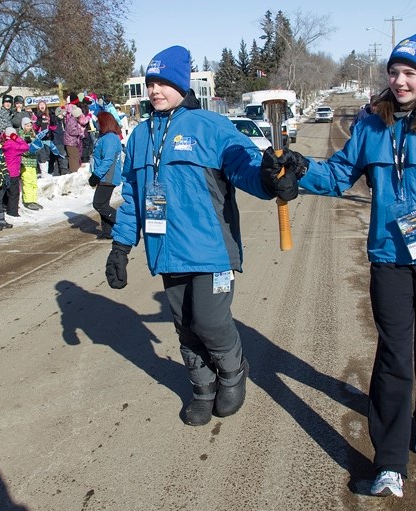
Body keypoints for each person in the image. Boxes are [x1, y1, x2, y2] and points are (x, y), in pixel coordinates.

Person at [260, 33, 416, 498]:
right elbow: (337, 176)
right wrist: (297, 166)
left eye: (410, 73)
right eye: (394, 72)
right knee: (394, 357)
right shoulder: (371, 127)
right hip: (389, 259)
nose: (399, 81)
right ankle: (390, 461)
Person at [104, 45, 282, 427]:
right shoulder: (140, 136)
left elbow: (246, 168)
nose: (154, 91)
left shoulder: (210, 126)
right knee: (185, 325)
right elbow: (133, 195)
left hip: (211, 248)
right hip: (166, 249)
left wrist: (268, 178)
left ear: (182, 85)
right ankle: (202, 387)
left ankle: (233, 372)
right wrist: (120, 246)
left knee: (210, 321)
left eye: (163, 82)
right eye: (150, 83)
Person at [88, 112, 123, 239]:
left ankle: (123, 223)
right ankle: (107, 232)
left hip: (108, 176)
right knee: (104, 204)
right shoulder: (103, 137)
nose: (96, 123)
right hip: (103, 176)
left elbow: (108, 160)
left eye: (98, 121)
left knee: (99, 204)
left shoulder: (110, 138)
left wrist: (96, 175)